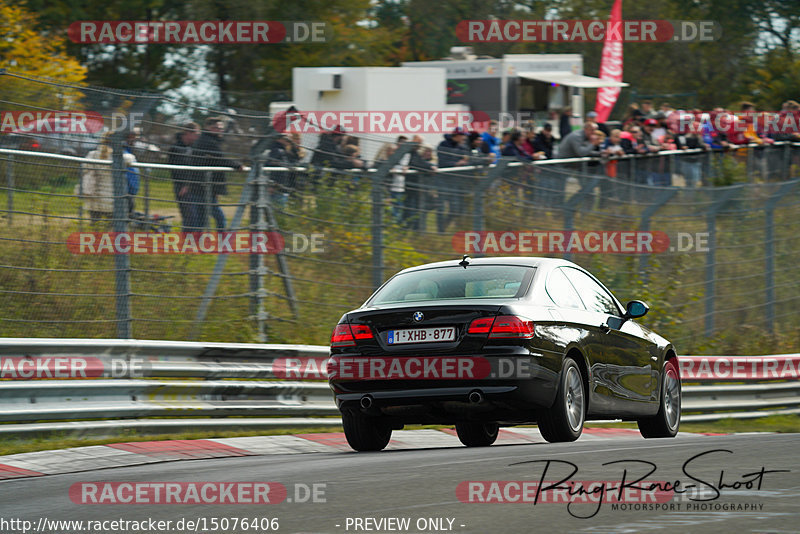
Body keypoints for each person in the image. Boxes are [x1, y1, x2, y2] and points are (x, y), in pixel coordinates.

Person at [192, 116, 243, 231]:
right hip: (204, 184)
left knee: (202, 218)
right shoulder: (208, 141)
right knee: (218, 217)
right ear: (208, 128)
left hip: (204, 184)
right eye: (216, 128)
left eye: (221, 128)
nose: (219, 130)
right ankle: (223, 243)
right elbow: (220, 159)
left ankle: (197, 243)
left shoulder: (210, 140)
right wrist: (237, 165)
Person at [81, 131, 135, 224]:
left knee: (95, 226)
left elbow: (84, 169)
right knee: (113, 227)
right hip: (113, 199)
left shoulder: (92, 155)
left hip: (95, 197)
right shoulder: (120, 156)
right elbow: (131, 159)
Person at [166, 122, 201, 231]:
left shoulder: (194, 148)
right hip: (183, 188)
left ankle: (195, 243)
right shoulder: (175, 148)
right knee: (190, 217)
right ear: (187, 133)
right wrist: (185, 185)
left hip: (196, 187)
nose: (197, 136)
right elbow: (177, 171)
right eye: (195, 133)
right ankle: (187, 244)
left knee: (199, 217)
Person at [436, 127, 470, 232]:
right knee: (441, 206)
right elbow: (442, 163)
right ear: (457, 136)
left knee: (456, 208)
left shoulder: (463, 147)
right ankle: (440, 230)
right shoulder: (443, 145)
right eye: (463, 135)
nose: (464, 138)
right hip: (443, 181)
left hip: (456, 182)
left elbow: (468, 159)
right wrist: (456, 164)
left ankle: (447, 226)